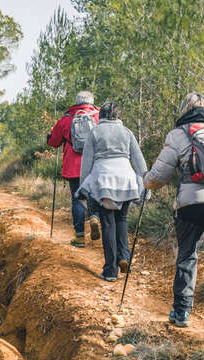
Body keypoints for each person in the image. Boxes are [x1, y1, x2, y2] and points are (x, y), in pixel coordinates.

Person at [144, 92, 204, 341]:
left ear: (184, 110)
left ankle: (182, 312)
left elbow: (158, 177)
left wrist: (145, 181)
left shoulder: (179, 134)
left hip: (192, 204)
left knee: (187, 254)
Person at [77, 101, 147, 282]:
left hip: (104, 180)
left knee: (108, 223)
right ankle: (124, 256)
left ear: (101, 116)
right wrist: (145, 184)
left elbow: (87, 162)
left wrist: (83, 185)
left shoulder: (95, 132)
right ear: (118, 115)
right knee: (121, 220)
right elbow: (139, 160)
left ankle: (110, 270)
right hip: (126, 179)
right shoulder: (127, 132)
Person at [47, 91, 101, 247]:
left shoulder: (66, 119)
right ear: (91, 101)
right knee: (95, 195)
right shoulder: (98, 117)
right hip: (94, 165)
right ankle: (94, 216)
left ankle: (79, 237)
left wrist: (49, 137)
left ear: (76, 102)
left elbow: (54, 142)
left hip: (74, 166)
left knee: (77, 199)